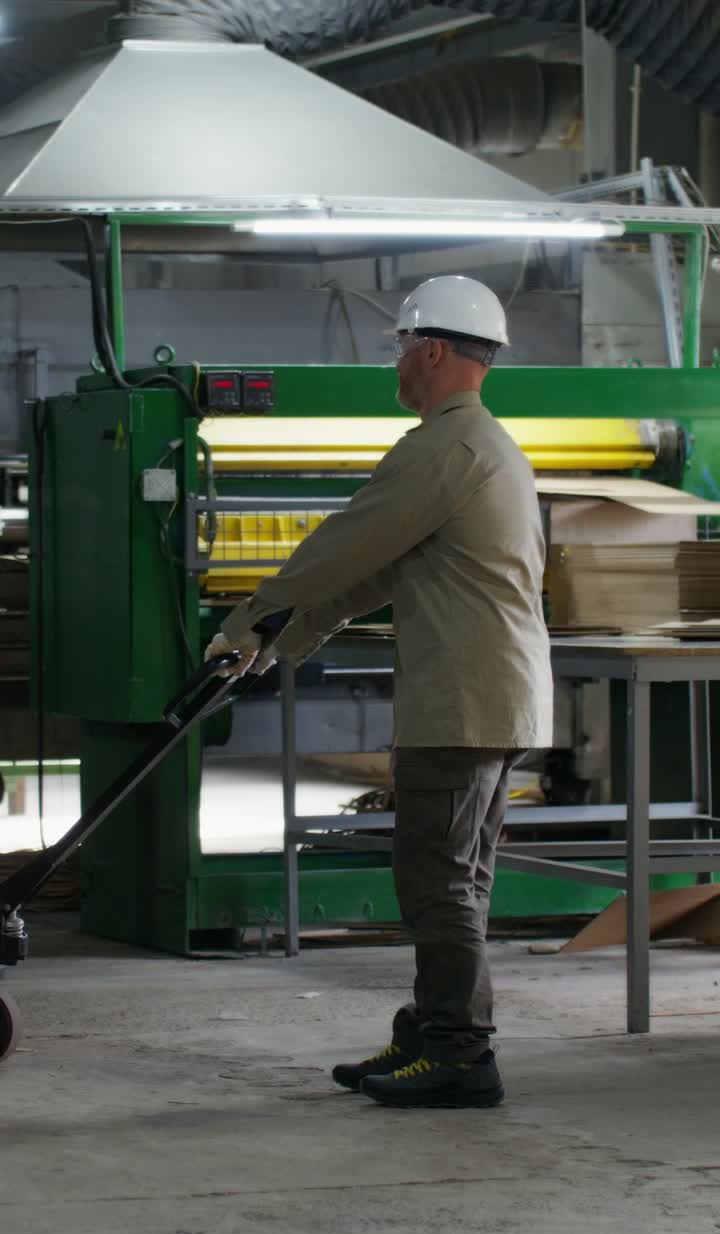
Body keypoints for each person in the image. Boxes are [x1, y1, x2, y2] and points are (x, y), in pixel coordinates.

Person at [205, 274, 553, 1109]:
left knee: (437, 882)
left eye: (400, 348)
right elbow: (386, 569)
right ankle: (430, 1030)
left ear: (432, 350)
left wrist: (248, 616)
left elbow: (350, 542)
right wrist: (284, 638)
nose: (395, 364)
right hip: (490, 696)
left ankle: (460, 1053)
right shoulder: (482, 446)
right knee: (454, 878)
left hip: (463, 702)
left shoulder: (444, 446)